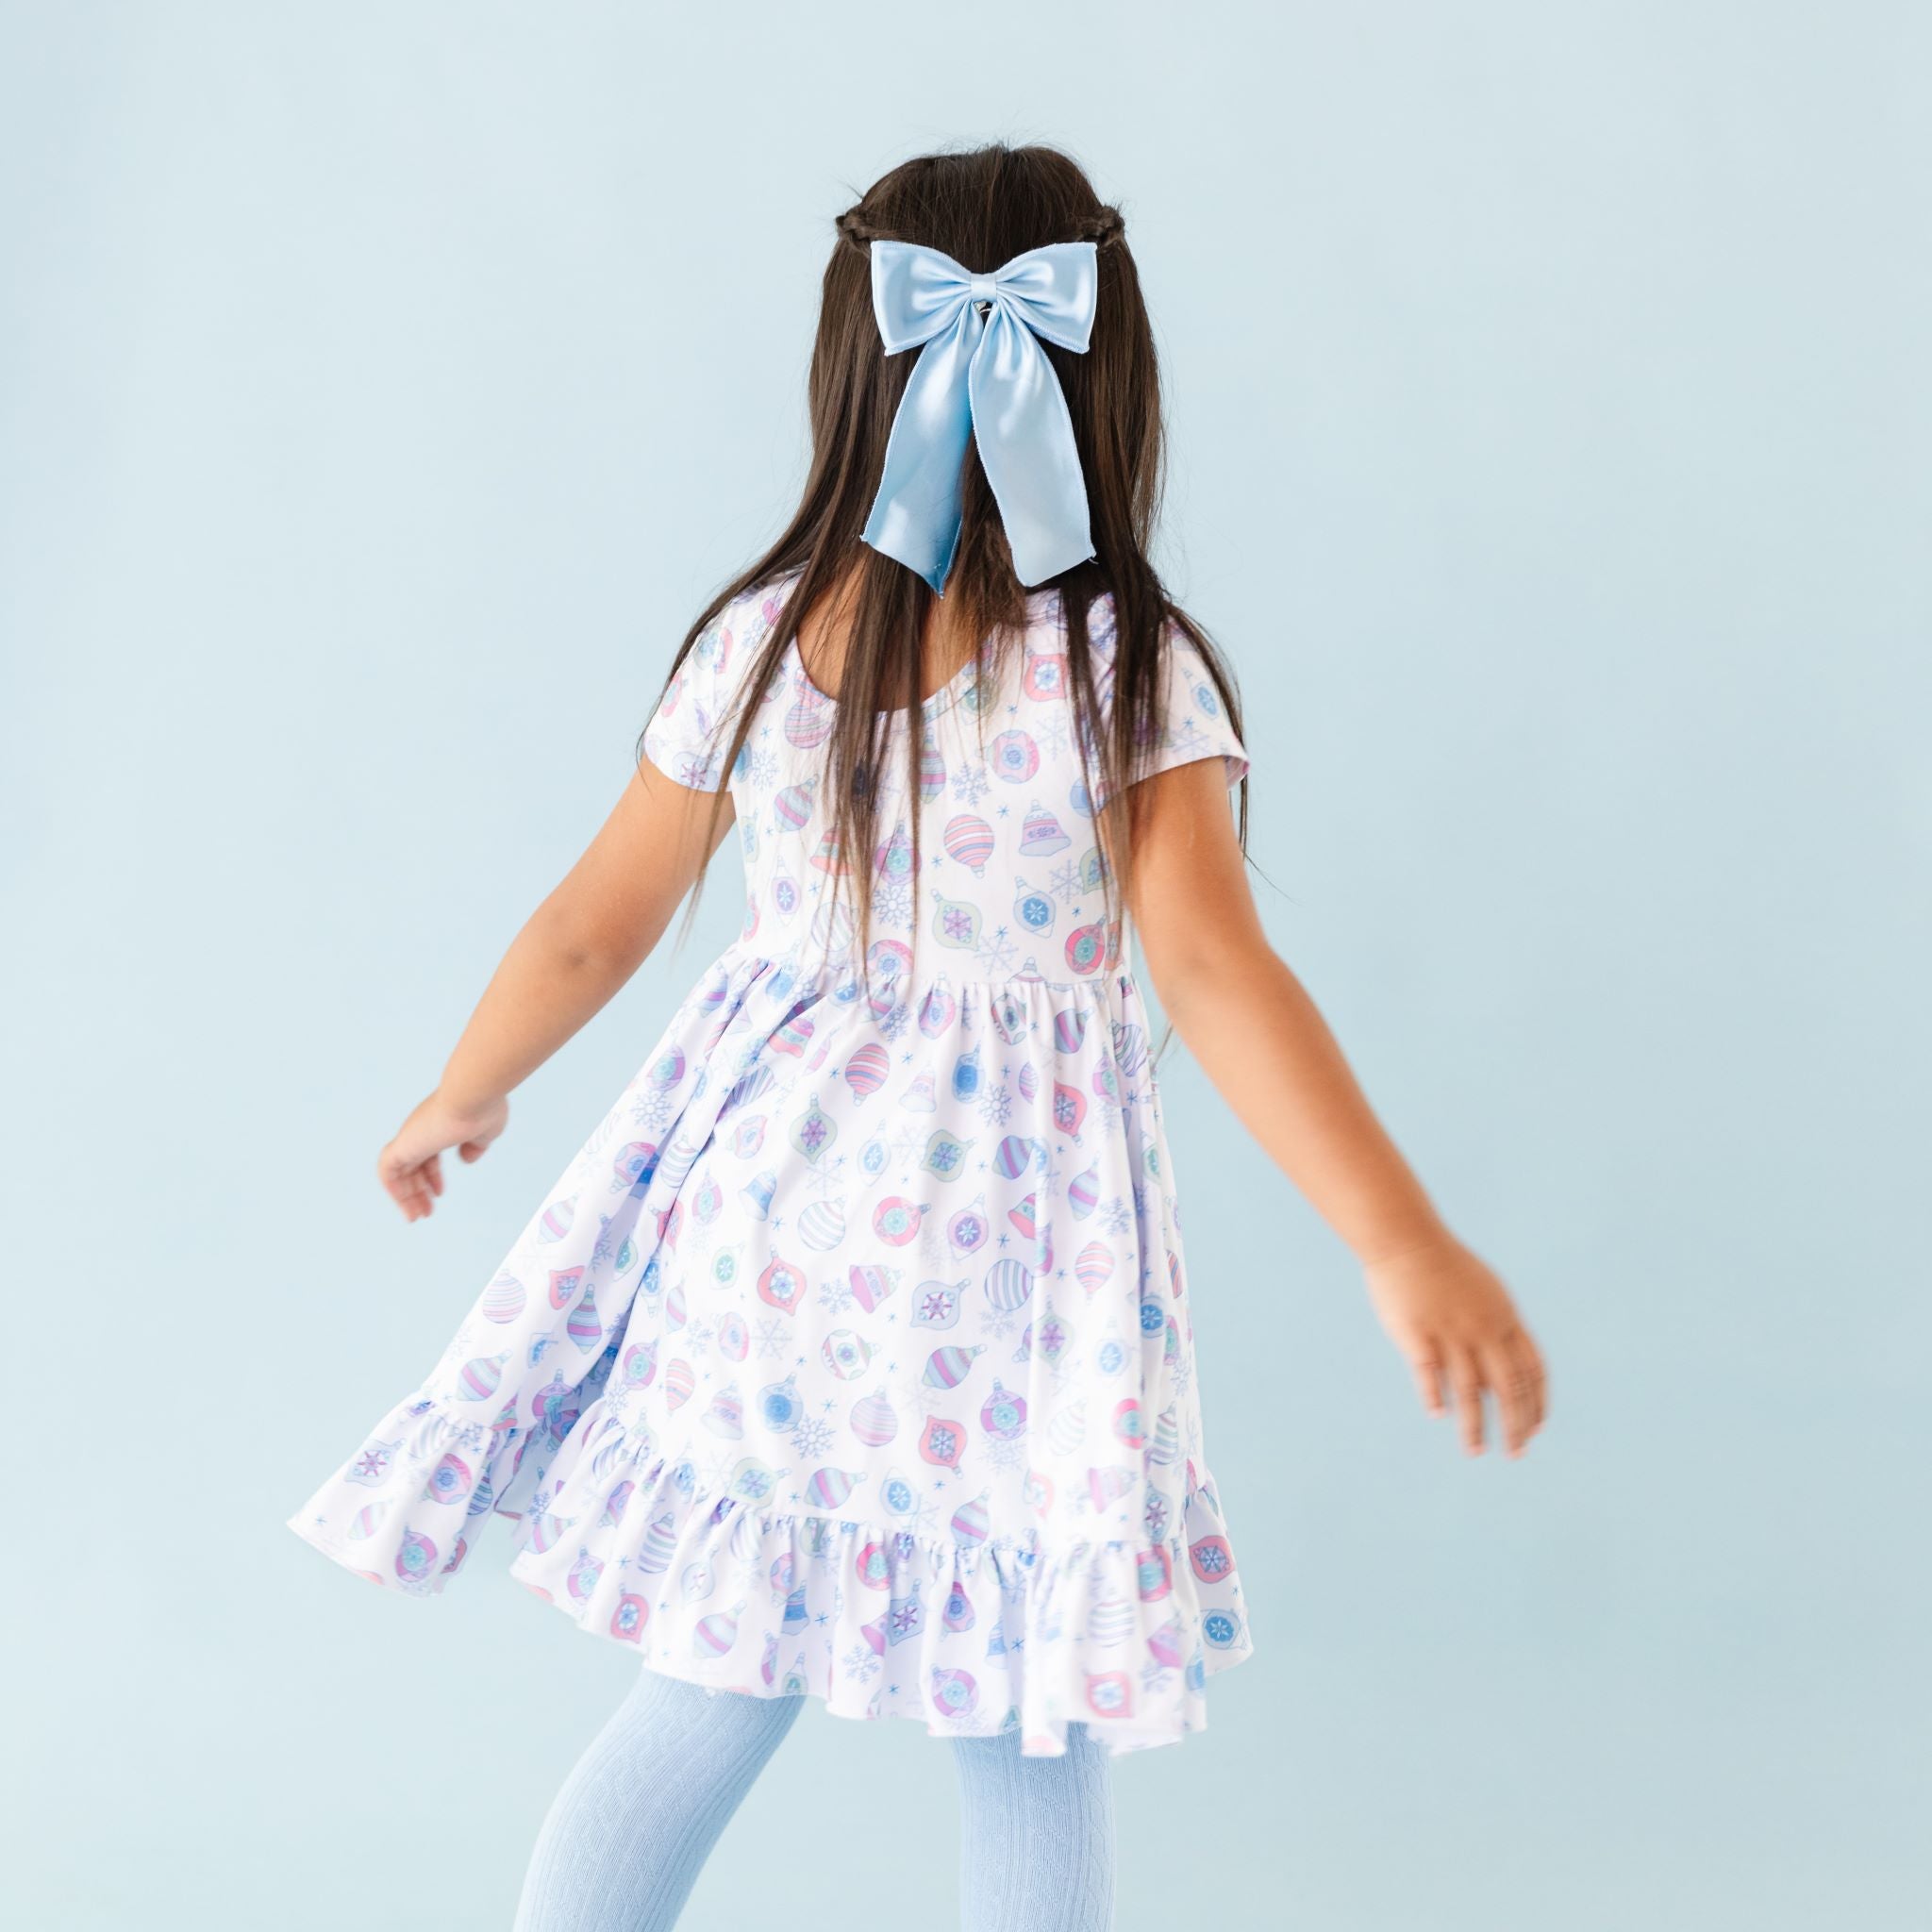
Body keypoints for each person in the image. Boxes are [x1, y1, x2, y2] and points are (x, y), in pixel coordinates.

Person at [289, 142, 1547, 1932]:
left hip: (771, 1245)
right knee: (1030, 1729)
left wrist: (460, 1091)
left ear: (848, 376)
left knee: (704, 1695)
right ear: (1108, 391)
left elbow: (598, 921)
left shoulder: (759, 642)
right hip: (1025, 1277)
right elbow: (1212, 966)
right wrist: (1398, 1236)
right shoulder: (1129, 666)